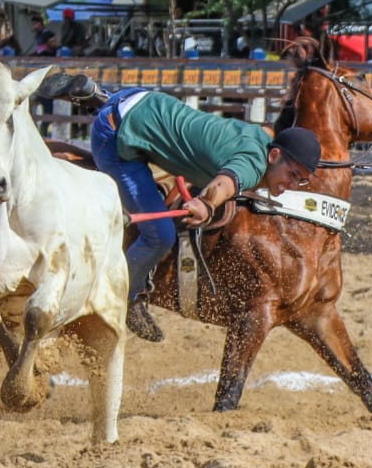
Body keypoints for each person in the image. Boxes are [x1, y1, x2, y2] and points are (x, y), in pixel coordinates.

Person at [89, 87, 324, 342]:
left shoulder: (261, 136)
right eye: (292, 174)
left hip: (141, 98)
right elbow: (226, 183)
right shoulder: (254, 165)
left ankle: (98, 93)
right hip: (114, 134)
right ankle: (121, 296)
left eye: (301, 180)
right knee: (160, 235)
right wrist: (206, 204)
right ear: (274, 155)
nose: (293, 185)